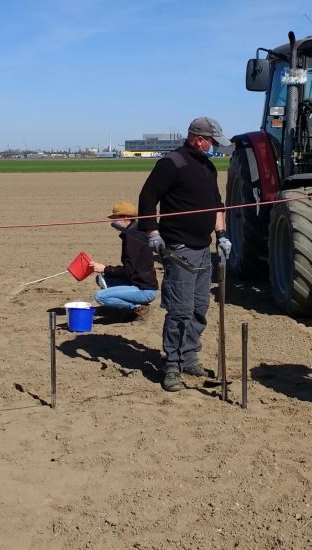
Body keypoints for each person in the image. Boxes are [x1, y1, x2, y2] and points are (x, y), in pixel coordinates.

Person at [137, 116, 232, 392]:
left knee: (199, 308)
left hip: (203, 250)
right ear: (199, 139)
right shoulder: (172, 163)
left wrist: (222, 236)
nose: (214, 147)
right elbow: (147, 196)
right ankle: (172, 366)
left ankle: (190, 357)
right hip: (179, 249)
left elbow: (217, 206)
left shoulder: (208, 167)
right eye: (212, 142)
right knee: (179, 310)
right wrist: (152, 232)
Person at [90, 201, 158, 321]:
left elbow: (128, 270)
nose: (113, 222)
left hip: (144, 289)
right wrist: (105, 270)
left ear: (125, 218)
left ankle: (137, 308)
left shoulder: (132, 238)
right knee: (102, 279)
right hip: (140, 281)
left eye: (115, 218)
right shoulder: (136, 231)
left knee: (100, 296)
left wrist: (104, 268)